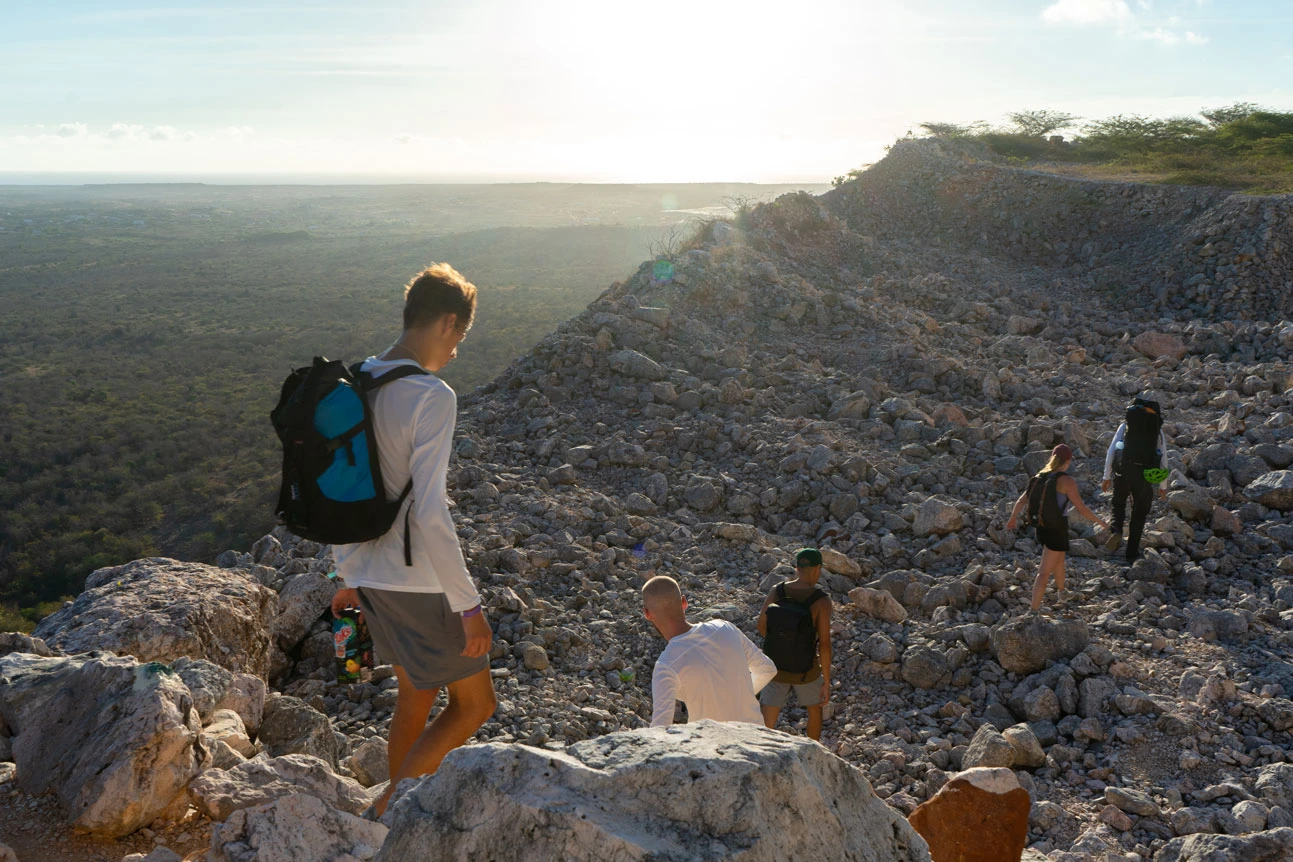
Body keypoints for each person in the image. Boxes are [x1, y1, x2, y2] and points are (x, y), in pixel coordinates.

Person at [329, 263, 495, 817]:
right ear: (448, 322)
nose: (456, 351)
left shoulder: (354, 381)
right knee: (474, 704)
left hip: (368, 575)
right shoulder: (431, 395)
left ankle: (394, 813)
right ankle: (388, 810)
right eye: (461, 337)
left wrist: (345, 575)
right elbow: (430, 513)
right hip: (417, 579)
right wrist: (468, 606)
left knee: (416, 695)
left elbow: (337, 489)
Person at [642, 575, 777, 728]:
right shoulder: (724, 627)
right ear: (684, 602)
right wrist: (738, 696)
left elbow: (659, 728)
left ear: (647, 614)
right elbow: (767, 669)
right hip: (756, 739)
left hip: (711, 747)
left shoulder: (666, 665)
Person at [1007, 443, 1110, 614]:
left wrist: (1012, 518)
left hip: (1041, 527)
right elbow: (1081, 508)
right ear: (1068, 460)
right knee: (1044, 572)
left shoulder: (1039, 476)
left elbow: (1021, 500)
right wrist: (1101, 523)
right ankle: (1032, 611)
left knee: (1059, 559)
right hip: (1057, 529)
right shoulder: (1066, 481)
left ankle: (1062, 593)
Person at [757, 548, 833, 741]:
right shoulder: (821, 601)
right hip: (806, 671)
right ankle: (813, 751)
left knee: (767, 714)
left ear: (797, 568)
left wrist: (781, 642)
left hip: (776, 667)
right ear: (817, 569)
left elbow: (761, 626)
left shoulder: (778, 590)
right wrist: (826, 679)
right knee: (814, 709)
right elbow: (824, 644)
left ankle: (762, 754)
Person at [1102, 396, 1170, 563]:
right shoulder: (1157, 431)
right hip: (1144, 475)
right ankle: (1131, 553)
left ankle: (1116, 529)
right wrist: (1163, 485)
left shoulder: (1126, 426)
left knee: (1118, 503)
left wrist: (1106, 476)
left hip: (1123, 471)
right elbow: (1163, 459)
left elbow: (1112, 451)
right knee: (1139, 514)